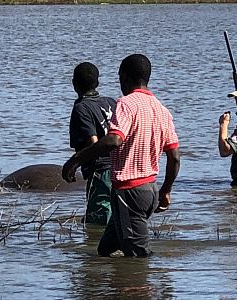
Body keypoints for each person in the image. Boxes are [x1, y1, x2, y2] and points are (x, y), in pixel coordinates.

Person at [62, 54, 180, 257]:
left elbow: (114, 140)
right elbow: (175, 156)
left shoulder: (126, 104)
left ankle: (155, 287)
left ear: (124, 77)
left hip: (129, 192)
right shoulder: (162, 110)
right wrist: (166, 190)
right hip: (150, 189)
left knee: (137, 258)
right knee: (104, 250)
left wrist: (75, 160)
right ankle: (112, 288)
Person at [69, 62, 116, 225]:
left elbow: (93, 143)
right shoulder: (111, 102)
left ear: (74, 83)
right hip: (121, 170)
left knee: (98, 225)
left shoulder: (82, 107)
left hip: (101, 174)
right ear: (97, 83)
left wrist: (74, 162)